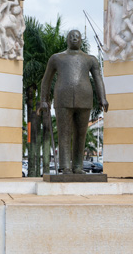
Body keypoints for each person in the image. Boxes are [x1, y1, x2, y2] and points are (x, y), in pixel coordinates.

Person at [40, 30, 109, 174]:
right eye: (71, 36)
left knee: (81, 134)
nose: (74, 38)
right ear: (67, 40)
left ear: (81, 40)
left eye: (77, 37)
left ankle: (77, 166)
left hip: (84, 99)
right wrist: (43, 100)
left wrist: (102, 98)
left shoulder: (90, 59)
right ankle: (65, 166)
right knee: (64, 133)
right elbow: (46, 80)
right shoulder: (56, 58)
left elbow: (98, 79)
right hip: (62, 99)